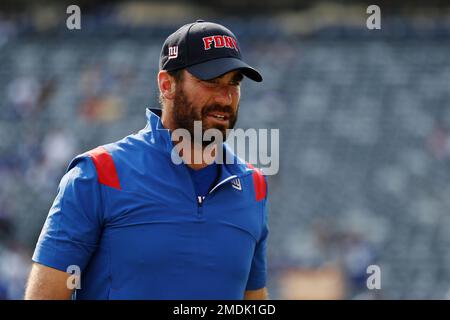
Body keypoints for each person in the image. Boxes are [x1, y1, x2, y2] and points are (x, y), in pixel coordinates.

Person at [25, 20, 269, 300]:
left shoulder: (254, 186)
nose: (226, 97)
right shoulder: (98, 174)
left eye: (234, 83)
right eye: (211, 81)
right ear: (167, 85)